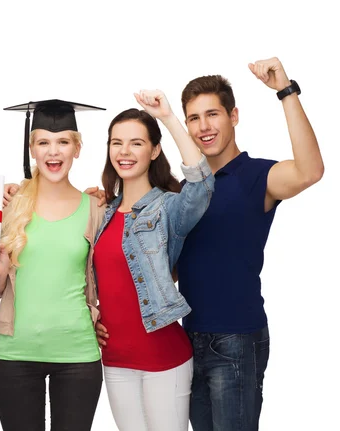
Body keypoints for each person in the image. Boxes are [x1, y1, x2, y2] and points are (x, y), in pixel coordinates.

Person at [176, 58, 324, 430]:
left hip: (236, 339)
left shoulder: (256, 176)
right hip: (187, 338)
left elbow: (310, 171)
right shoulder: (185, 189)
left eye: (213, 114)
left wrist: (285, 91)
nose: (204, 127)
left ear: (234, 116)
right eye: (193, 118)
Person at [92, 90, 214, 431]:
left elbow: (203, 184)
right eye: (117, 143)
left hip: (163, 357)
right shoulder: (102, 213)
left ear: (154, 150)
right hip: (114, 359)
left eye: (136, 143)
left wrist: (168, 117)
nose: (125, 152)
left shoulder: (168, 208)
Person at [0, 99, 105, 431]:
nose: (54, 152)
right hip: (15, 353)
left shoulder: (95, 208)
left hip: (77, 353)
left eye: (64, 142)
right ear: (32, 148)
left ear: (77, 148)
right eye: (44, 143)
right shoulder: (7, 205)